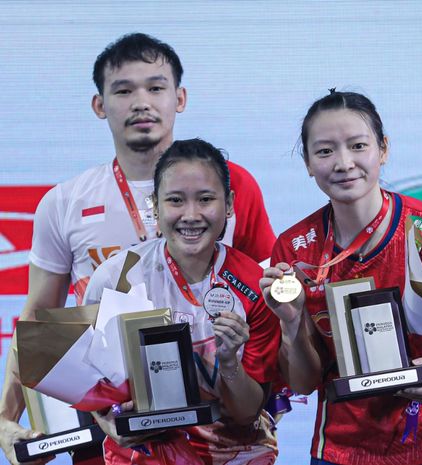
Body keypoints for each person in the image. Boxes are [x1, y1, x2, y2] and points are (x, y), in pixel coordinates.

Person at [0, 33, 275, 465]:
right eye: (124, 90)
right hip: (112, 429)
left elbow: (265, 311)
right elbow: (39, 323)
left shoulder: (233, 186)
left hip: (221, 434)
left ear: (179, 98)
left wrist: (263, 405)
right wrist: (6, 418)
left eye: (156, 87)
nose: (141, 102)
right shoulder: (64, 201)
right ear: (99, 105)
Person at [260, 90, 422, 465]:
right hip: (343, 450)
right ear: (306, 162)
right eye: (324, 151)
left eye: (357, 145)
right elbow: (303, 383)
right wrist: (290, 325)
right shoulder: (295, 251)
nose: (344, 163)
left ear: (383, 149)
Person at [82, 138, 280, 464]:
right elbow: (87, 386)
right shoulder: (117, 278)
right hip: (143, 455)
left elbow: (247, 414)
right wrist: (109, 423)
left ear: (229, 204)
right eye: (175, 200)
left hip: (236, 455)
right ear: (155, 206)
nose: (191, 215)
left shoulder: (252, 286)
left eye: (205, 199)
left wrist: (229, 362)